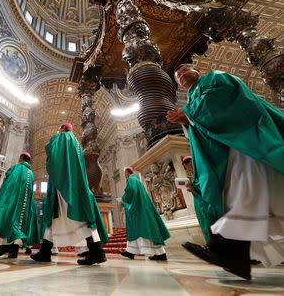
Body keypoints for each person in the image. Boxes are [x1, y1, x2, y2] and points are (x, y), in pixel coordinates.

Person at [166, 64, 284, 280]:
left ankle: (228, 250)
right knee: (244, 193)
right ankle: (233, 253)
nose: (181, 75)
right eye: (177, 76)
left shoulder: (215, 78)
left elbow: (227, 98)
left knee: (247, 190)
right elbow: (201, 126)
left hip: (246, 141)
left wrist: (189, 113)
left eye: (184, 70)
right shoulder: (192, 98)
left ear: (197, 70)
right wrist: (187, 119)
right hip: (230, 149)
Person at [31, 123, 108, 265]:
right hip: (74, 183)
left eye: (59, 129)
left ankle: (97, 251)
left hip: (63, 184)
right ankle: (45, 251)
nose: (58, 131)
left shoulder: (62, 138)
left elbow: (52, 154)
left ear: (62, 129)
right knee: (55, 218)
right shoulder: (76, 143)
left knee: (79, 217)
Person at [0, 152, 40, 259]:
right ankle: (14, 250)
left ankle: (4, 248)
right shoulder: (30, 173)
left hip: (13, 200)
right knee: (19, 224)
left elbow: (8, 182)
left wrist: (4, 198)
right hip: (24, 205)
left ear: (21, 158)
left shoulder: (16, 167)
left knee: (8, 220)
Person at [119, 167, 170, 261]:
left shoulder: (131, 180)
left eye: (125, 174)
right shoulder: (138, 181)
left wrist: (123, 198)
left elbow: (130, 192)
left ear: (127, 172)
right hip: (143, 207)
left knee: (139, 229)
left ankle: (160, 254)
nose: (125, 176)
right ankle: (132, 252)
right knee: (150, 229)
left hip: (138, 209)